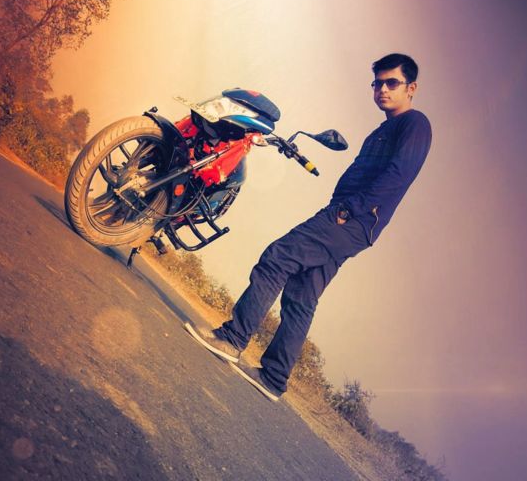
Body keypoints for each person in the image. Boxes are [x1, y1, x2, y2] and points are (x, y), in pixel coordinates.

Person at [185, 53, 432, 401]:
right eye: (377, 83)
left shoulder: (415, 124)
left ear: (411, 88)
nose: (383, 90)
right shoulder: (384, 129)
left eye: (392, 83)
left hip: (352, 219)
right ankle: (273, 377)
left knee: (277, 258)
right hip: (352, 221)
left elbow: (398, 175)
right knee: (302, 294)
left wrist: (348, 209)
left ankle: (232, 338)